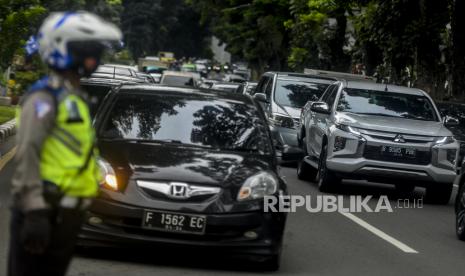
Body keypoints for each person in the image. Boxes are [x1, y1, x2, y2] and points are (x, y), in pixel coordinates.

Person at [8, 11, 122, 276]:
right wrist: (35, 210)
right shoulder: (44, 99)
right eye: (85, 50)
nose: (93, 57)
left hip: (67, 214)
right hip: (43, 210)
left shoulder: (73, 97)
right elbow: (27, 153)